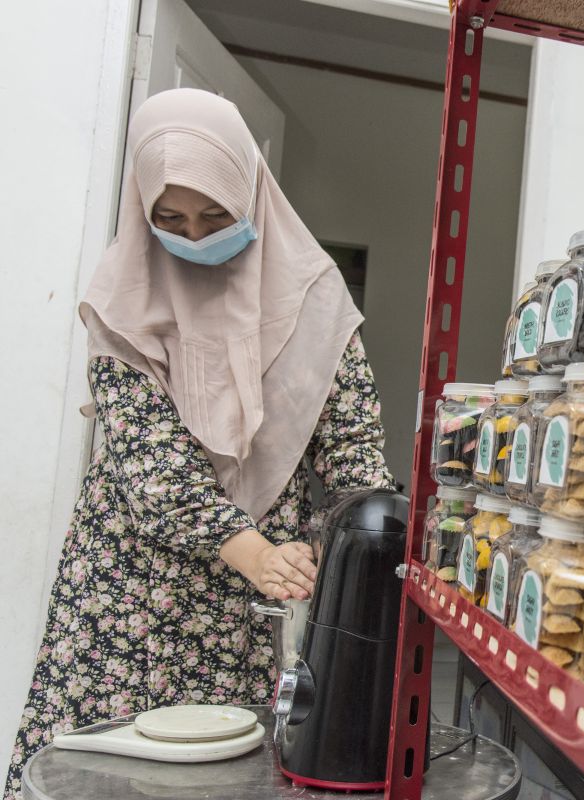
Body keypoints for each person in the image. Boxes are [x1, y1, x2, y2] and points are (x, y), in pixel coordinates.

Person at [5, 88, 394, 797]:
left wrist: (330, 542)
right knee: (105, 775)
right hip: (131, 596)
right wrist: (256, 553)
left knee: (229, 774)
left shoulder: (314, 296)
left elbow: (354, 459)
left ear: (252, 188)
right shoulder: (124, 298)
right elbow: (153, 468)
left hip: (255, 611)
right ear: (141, 211)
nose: (195, 235)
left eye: (218, 214)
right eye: (170, 218)